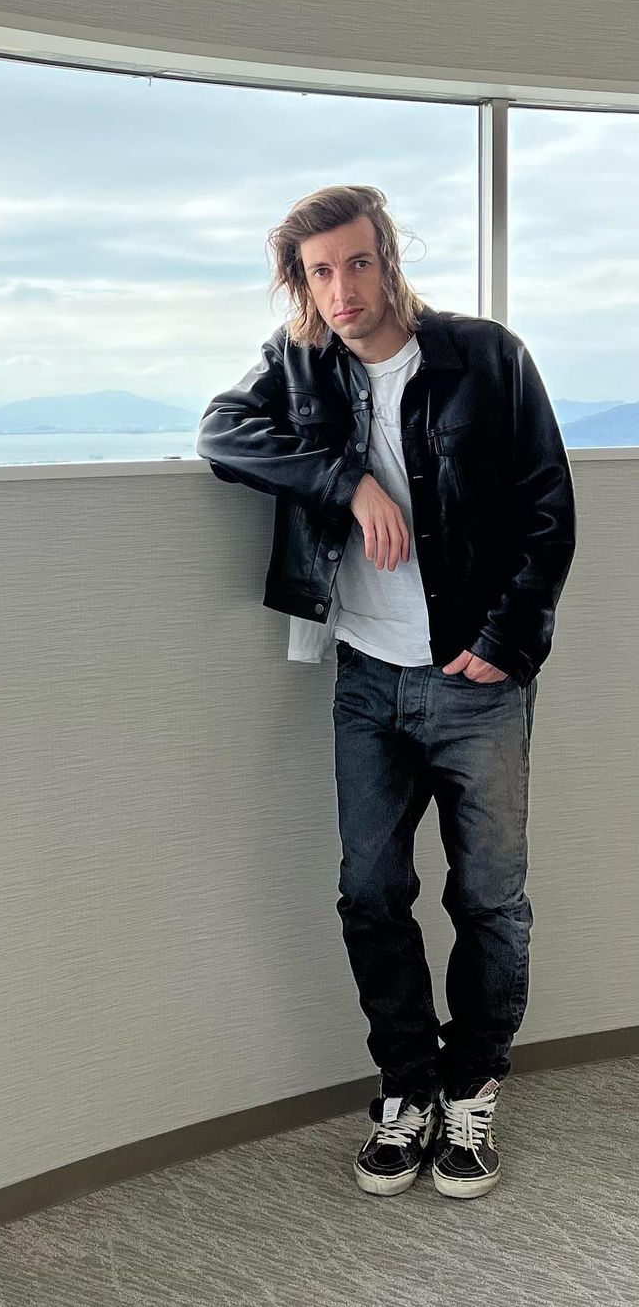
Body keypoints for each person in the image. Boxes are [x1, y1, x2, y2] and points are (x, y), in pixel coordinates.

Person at [196, 185, 577, 1199]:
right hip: (366, 678)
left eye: (356, 263)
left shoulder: (486, 357)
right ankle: (406, 1085)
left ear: (389, 260)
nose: (342, 289)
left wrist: (506, 640)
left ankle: (472, 1085)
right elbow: (221, 435)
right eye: (320, 272)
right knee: (370, 894)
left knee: (488, 898)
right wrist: (347, 482)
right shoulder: (298, 366)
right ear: (302, 283)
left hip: (475, 680)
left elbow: (549, 509)